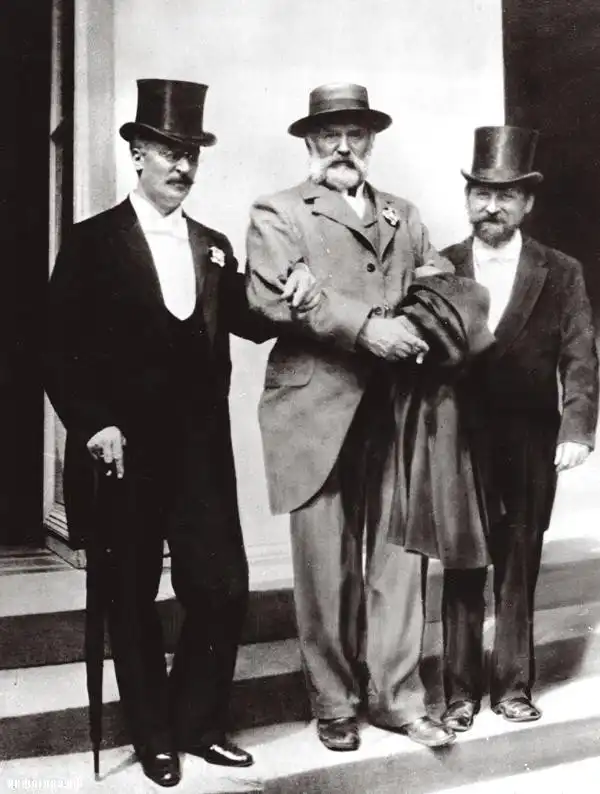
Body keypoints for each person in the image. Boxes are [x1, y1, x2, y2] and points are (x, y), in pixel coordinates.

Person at [44, 79, 318, 787]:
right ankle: (155, 737)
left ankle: (198, 724)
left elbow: (249, 320)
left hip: (199, 450)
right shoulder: (92, 242)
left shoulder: (213, 246)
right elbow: (55, 348)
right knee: (130, 594)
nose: (183, 165)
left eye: (192, 152)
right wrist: (94, 422)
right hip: (123, 451)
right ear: (137, 153)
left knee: (222, 586)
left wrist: (291, 292)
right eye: (169, 151)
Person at [245, 82, 457, 752]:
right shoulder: (278, 212)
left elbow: (437, 285)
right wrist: (369, 327)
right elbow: (272, 296)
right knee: (325, 566)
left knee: (399, 560)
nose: (343, 147)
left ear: (371, 142)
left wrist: (411, 318)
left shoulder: (404, 213)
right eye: (329, 135)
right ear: (310, 142)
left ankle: (397, 698)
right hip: (314, 411)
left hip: (397, 409)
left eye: (356, 134)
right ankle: (333, 702)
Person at [440, 126, 599, 733]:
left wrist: (576, 427)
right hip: (458, 439)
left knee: (519, 560)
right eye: (482, 192)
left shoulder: (560, 271)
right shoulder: (442, 265)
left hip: (531, 438)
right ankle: (459, 694)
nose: (492, 206)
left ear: (527, 203)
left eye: (506, 195)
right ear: (467, 198)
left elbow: (580, 355)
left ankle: (512, 687)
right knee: (461, 564)